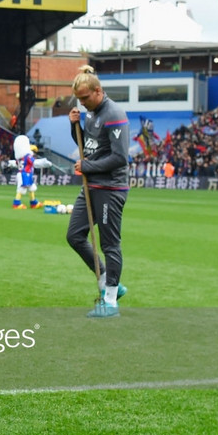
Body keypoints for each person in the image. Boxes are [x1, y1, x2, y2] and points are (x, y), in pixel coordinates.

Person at [66, 68, 130, 319]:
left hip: (110, 187)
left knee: (109, 243)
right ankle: (108, 280)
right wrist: (75, 126)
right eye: (79, 100)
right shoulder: (91, 114)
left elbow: (119, 157)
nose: (82, 103)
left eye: (85, 98)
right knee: (74, 236)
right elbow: (87, 146)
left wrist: (88, 166)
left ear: (98, 91)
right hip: (91, 185)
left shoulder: (114, 114)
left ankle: (111, 301)